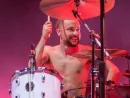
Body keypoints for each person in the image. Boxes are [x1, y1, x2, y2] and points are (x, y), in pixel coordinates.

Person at [34, 19, 120, 98]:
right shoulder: (49, 51)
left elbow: (114, 70)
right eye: (71, 29)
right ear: (59, 32)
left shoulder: (88, 52)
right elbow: (33, 66)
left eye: (78, 29)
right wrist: (43, 38)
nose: (76, 33)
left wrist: (104, 89)